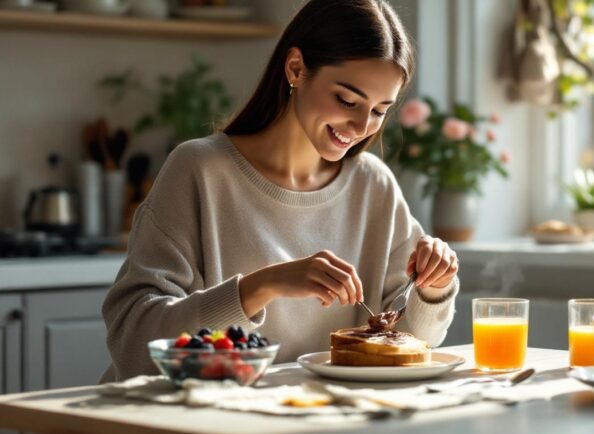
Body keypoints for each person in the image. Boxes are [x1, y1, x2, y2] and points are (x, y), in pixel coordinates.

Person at [101, 0, 460, 382]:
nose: (360, 126)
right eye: (346, 100)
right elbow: (133, 341)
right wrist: (259, 287)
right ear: (296, 69)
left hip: (305, 417)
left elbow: (413, 346)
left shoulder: (374, 185)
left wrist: (433, 287)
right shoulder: (200, 170)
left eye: (379, 110)